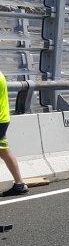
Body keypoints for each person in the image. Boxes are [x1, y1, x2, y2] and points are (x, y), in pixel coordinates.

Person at [0, 69, 28, 197]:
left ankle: (20, 184)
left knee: (3, 151)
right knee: (3, 151)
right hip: (3, 118)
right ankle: (19, 184)